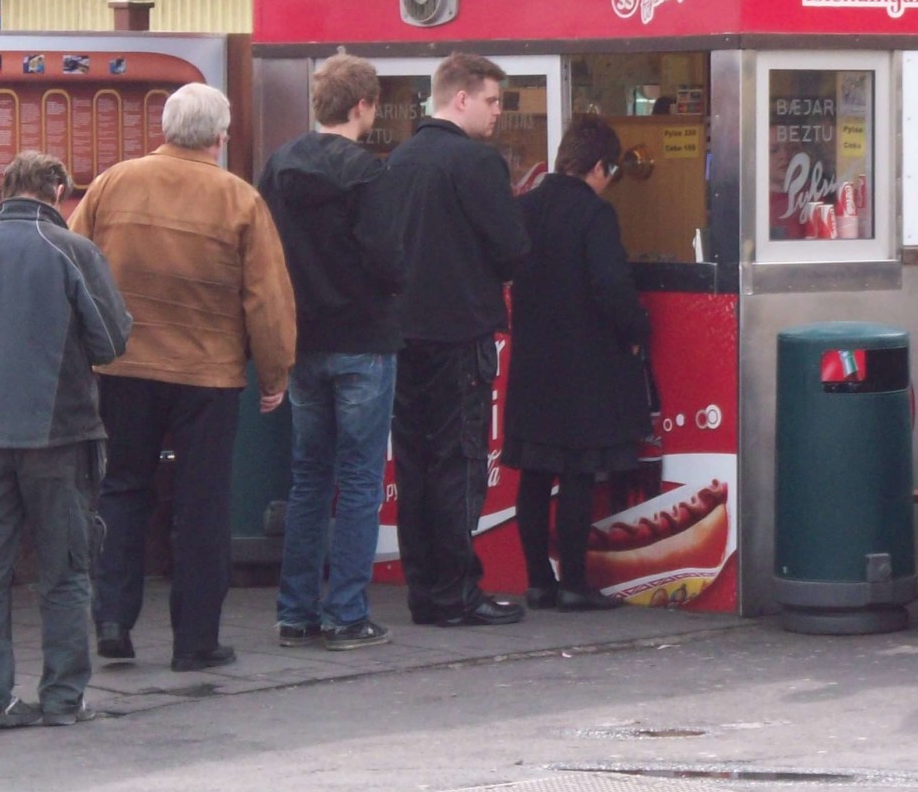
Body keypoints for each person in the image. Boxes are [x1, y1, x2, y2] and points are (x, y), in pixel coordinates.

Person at [70, 83, 295, 672]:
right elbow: (266, 299)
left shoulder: (113, 184)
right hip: (208, 374)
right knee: (201, 503)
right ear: (220, 138)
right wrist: (275, 372)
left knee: (122, 487)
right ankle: (195, 641)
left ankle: (113, 618)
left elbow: (73, 264)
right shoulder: (239, 200)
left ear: (166, 129)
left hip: (122, 365)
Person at [0, 151, 131, 731]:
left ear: (4, 190)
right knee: (67, 570)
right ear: (55, 189)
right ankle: (63, 699)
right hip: (59, 436)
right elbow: (111, 340)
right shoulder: (72, 250)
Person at [259, 54, 402, 651]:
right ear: (363, 106)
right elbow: (388, 259)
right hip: (363, 339)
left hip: (301, 340)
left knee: (309, 477)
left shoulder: (278, 166)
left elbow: (262, 254)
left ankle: (295, 612)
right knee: (360, 477)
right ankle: (347, 612)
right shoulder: (369, 174)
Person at [384, 53, 532, 627]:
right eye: (493, 100)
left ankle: (426, 588)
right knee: (458, 461)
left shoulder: (399, 159)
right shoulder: (475, 163)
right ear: (461, 99)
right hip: (460, 331)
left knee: (415, 463)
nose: (498, 112)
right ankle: (456, 592)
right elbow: (513, 248)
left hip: (403, 334)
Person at [505, 115, 651, 613]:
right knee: (577, 475)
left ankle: (537, 581)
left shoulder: (524, 208)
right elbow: (612, 287)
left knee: (534, 473)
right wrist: (636, 331)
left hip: (531, 363)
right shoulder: (594, 215)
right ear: (598, 166)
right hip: (583, 365)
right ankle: (574, 583)